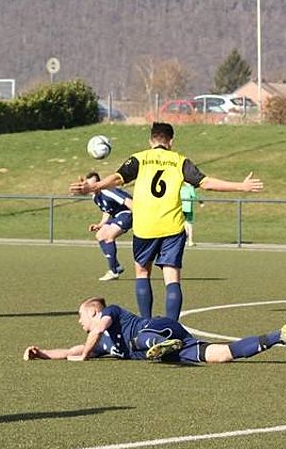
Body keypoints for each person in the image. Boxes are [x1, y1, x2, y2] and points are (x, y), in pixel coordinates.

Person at [69, 122, 263, 321]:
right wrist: (241, 186)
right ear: (171, 141)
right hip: (172, 227)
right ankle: (172, 328)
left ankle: (146, 324)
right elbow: (206, 183)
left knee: (142, 273)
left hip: (145, 227)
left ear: (150, 141)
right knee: (172, 278)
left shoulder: (140, 158)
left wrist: (93, 187)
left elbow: (118, 178)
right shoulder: (180, 161)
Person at [23, 297, 286, 364]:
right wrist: (42, 353)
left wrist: (84, 355)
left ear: (94, 312)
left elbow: (95, 333)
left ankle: (158, 344)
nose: (79, 322)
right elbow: (72, 350)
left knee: (138, 339)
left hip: (157, 328)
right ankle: (279, 335)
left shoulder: (111, 313)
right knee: (222, 355)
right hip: (174, 346)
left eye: (81, 316)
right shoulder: (102, 345)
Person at [84, 172, 133, 281]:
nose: (91, 187)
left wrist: (141, 217)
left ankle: (113, 271)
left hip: (127, 213)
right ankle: (116, 266)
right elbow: (106, 211)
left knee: (109, 236)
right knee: (100, 235)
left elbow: (129, 201)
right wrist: (100, 225)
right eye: (88, 184)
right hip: (116, 216)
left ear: (99, 183)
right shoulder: (95, 197)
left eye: (93, 184)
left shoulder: (107, 191)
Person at [180, 183, 202, 247]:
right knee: (189, 224)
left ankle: (184, 240)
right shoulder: (190, 188)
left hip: (181, 208)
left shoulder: (182, 188)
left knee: (184, 223)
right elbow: (194, 196)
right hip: (188, 208)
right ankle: (190, 241)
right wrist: (201, 202)